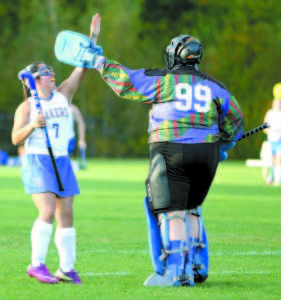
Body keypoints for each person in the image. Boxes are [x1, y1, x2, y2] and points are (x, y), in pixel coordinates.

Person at [56, 32, 244, 286]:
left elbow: (126, 82)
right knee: (192, 208)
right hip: (207, 154)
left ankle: (176, 271)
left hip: (170, 150)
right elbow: (235, 120)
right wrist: (225, 144)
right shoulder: (216, 86)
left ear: (174, 55)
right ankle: (196, 266)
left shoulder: (165, 81)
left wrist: (97, 60)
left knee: (171, 211)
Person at [11, 13, 101, 284]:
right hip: (38, 160)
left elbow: (82, 67)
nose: (53, 75)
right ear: (36, 79)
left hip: (62, 159)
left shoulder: (64, 94)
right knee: (47, 212)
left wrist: (93, 37)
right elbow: (16, 137)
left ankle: (66, 268)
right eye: (48, 73)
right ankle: (36, 264)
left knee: (67, 215)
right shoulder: (26, 107)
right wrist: (32, 126)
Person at [263, 86, 281, 186]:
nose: (278, 105)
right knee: (273, 161)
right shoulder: (269, 113)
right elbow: (264, 127)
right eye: (276, 103)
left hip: (279, 140)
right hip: (271, 140)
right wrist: (270, 131)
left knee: (279, 160)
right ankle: (273, 178)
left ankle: (277, 181)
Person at [68, 104, 87, 169]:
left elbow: (80, 123)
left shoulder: (73, 109)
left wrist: (82, 139)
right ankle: (75, 166)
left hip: (69, 139)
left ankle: (75, 166)